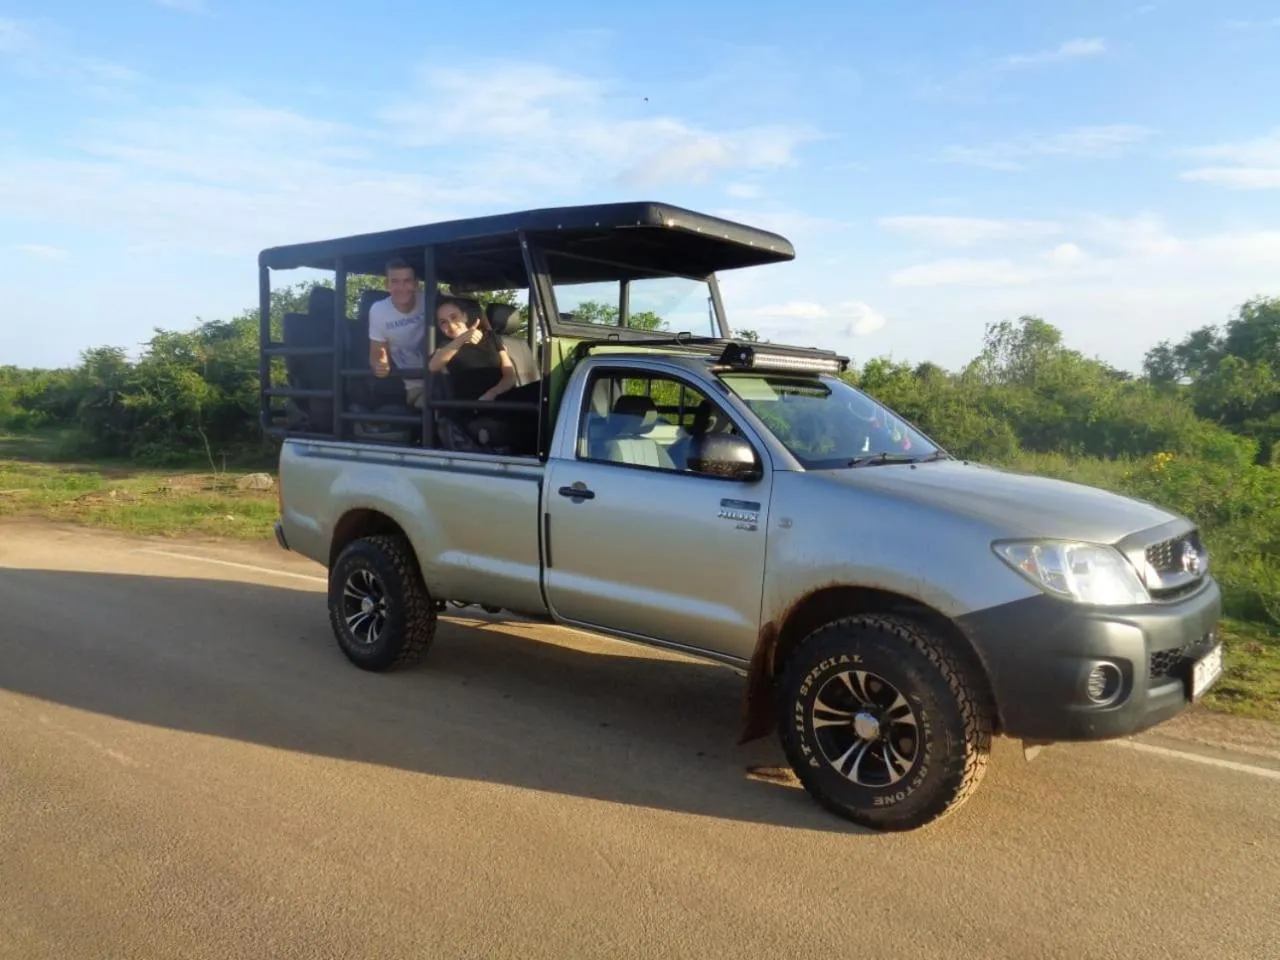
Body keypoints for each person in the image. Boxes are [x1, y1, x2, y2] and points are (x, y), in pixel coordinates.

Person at [427, 296, 517, 402]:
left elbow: (510, 375)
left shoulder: (490, 336)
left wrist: (493, 393)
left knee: (540, 391)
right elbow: (433, 366)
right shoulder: (446, 346)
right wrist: (462, 339)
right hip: (475, 405)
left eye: (454, 317)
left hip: (504, 397)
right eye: (443, 322)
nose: (450, 325)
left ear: (465, 316)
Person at [368, 257, 428, 408]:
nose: (401, 287)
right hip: (416, 385)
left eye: (407, 281)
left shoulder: (429, 301)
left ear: (416, 284)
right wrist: (380, 364)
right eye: (395, 281)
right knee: (434, 407)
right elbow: (377, 351)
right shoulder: (378, 310)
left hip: (443, 374)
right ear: (386, 285)